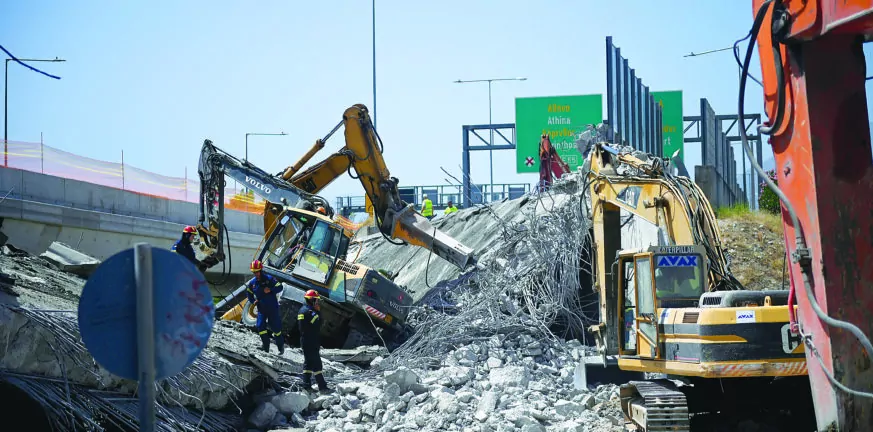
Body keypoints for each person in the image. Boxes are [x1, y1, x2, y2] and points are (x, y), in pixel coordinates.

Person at [246, 259, 285, 354]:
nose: (256, 274)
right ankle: (266, 347)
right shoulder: (252, 283)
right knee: (260, 326)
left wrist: (271, 290)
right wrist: (252, 301)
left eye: (258, 271)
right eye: (254, 272)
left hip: (272, 309)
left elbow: (280, 287)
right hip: (261, 309)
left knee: (276, 329)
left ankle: (280, 347)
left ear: (261, 270)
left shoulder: (269, 279)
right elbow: (249, 293)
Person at [298, 289, 329, 392]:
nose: (317, 302)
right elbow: (318, 324)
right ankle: (310, 386)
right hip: (309, 341)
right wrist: (318, 312)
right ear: (311, 300)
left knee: (313, 363)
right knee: (311, 362)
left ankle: (318, 385)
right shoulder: (309, 312)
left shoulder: (303, 310)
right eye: (316, 300)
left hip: (310, 340)